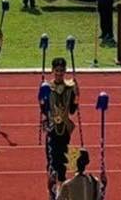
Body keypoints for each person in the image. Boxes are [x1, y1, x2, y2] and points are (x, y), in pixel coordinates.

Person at [45, 56, 80, 190]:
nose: (59, 73)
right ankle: (53, 183)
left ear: (65, 71)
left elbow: (72, 110)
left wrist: (76, 96)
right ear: (52, 70)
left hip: (65, 128)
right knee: (52, 156)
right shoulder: (47, 87)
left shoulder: (69, 88)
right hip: (52, 127)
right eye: (57, 70)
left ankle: (61, 183)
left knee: (63, 156)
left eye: (62, 70)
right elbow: (44, 109)